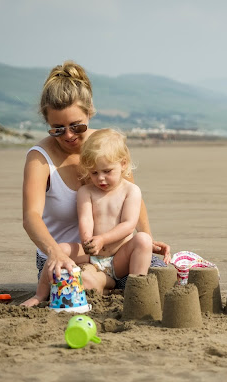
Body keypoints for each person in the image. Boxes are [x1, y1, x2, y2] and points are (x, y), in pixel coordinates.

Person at [20, 61, 170, 307]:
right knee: (76, 283)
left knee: (165, 278)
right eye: (57, 129)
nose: (68, 135)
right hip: (65, 254)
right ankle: (102, 284)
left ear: (90, 111)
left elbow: (132, 200)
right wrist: (55, 251)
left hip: (115, 253)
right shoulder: (39, 159)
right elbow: (31, 218)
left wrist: (147, 239)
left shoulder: (107, 147)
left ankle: (111, 284)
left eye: (77, 126)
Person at [58, 128, 152, 292]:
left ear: (123, 164)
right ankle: (42, 292)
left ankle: (137, 289)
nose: (100, 178)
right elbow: (85, 219)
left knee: (143, 240)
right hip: (91, 257)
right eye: (94, 173)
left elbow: (129, 224)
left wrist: (102, 239)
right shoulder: (86, 191)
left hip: (118, 259)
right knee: (61, 249)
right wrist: (88, 240)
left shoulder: (131, 191)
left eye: (107, 171)